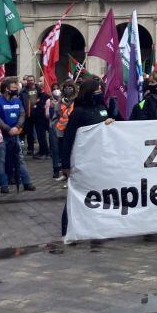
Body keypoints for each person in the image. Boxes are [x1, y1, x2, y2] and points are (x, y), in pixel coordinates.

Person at [60, 77, 114, 236]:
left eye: (100, 90)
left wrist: (110, 121)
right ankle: (67, 228)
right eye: (96, 90)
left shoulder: (102, 106)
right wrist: (66, 165)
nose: (99, 93)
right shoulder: (78, 112)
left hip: (100, 159)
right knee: (77, 193)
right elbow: (68, 138)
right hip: (83, 160)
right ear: (89, 92)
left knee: (99, 193)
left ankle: (98, 226)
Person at [0, 77, 35, 193]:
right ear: (6, 89)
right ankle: (4, 185)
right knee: (1, 161)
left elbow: (22, 114)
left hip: (15, 135)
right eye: (14, 87)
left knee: (20, 159)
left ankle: (27, 183)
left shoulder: (17, 100)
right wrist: (7, 129)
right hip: (1, 136)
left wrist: (17, 127)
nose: (16, 89)